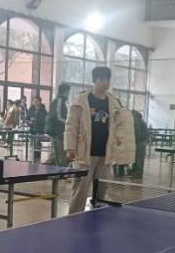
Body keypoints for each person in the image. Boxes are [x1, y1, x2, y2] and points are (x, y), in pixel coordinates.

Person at [65, 66, 135, 213]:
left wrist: (122, 151)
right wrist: (70, 147)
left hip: (105, 156)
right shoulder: (81, 101)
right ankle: (73, 219)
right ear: (94, 80)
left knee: (101, 192)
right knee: (80, 190)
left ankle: (97, 218)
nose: (105, 82)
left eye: (107, 79)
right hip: (85, 154)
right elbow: (71, 126)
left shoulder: (114, 103)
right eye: (102, 79)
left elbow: (120, 129)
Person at [45, 83, 70, 166]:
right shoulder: (59, 101)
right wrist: (68, 122)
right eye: (68, 92)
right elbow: (58, 117)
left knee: (56, 155)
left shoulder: (62, 102)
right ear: (64, 91)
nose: (68, 94)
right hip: (57, 132)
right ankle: (61, 172)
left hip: (60, 132)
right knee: (60, 156)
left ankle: (47, 168)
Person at [27, 95, 48, 162]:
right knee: (32, 144)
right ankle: (32, 157)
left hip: (39, 129)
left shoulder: (43, 110)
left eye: (36, 101)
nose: (35, 102)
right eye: (34, 101)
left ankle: (37, 157)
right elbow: (27, 118)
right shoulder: (31, 109)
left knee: (37, 143)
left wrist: (36, 119)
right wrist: (29, 121)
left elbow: (44, 119)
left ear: (40, 102)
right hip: (32, 129)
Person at [131, 109, 148, 178]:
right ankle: (134, 171)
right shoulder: (140, 119)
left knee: (138, 158)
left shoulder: (136, 119)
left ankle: (138, 173)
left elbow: (137, 132)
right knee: (137, 157)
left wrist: (135, 141)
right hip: (142, 140)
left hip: (140, 141)